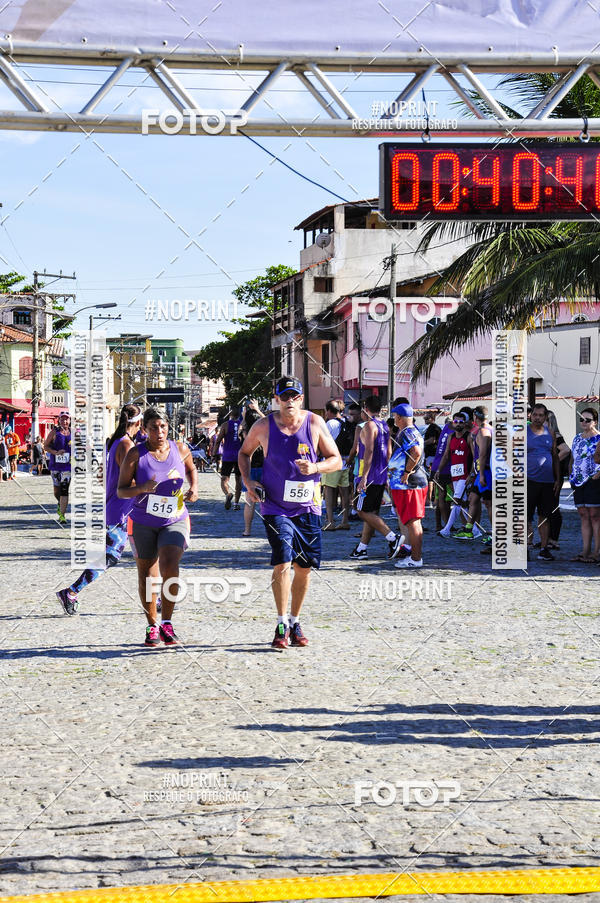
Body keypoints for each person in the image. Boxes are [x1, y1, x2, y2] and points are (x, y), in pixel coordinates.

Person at [238, 375, 341, 650]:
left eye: (294, 396)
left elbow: (336, 460)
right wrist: (248, 481)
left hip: (308, 506)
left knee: (304, 567)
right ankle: (281, 622)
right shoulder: (263, 426)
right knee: (283, 560)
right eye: (284, 396)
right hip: (275, 506)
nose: (290, 401)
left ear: (301, 399)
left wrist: (316, 468)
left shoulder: (314, 423)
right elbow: (244, 453)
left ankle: (295, 621)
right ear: (276, 399)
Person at [118, 408, 198, 646]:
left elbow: (191, 469)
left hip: (175, 519)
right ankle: (152, 626)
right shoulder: (136, 454)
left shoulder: (180, 449)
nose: (159, 432)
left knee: (170, 564)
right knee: (147, 575)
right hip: (143, 521)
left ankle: (167, 623)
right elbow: (121, 490)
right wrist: (142, 488)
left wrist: (194, 487)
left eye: (163, 427)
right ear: (144, 429)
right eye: (154, 427)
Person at [56, 404, 143, 615]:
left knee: (146, 552)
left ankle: (155, 597)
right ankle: (71, 592)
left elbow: (100, 475)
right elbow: (130, 480)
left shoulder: (114, 442)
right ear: (139, 423)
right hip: (121, 509)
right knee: (110, 556)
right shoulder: (126, 445)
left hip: (120, 506)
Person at [349, 395, 403, 561]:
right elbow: (389, 451)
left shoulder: (369, 426)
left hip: (369, 475)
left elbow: (369, 451)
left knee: (360, 510)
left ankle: (392, 538)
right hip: (380, 474)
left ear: (365, 408)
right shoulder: (385, 426)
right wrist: (386, 472)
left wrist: (364, 477)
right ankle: (362, 548)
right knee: (371, 513)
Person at [388, 403, 428, 568]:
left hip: (409, 484)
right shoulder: (414, 431)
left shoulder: (406, 432)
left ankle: (416, 559)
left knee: (413, 521)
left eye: (394, 416)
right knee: (412, 521)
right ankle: (413, 554)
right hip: (412, 483)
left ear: (399, 417)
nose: (394, 419)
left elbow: (416, 452)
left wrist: (406, 472)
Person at [526, 403, 561, 561]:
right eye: (535, 414)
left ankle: (544, 549)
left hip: (547, 481)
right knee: (526, 517)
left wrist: (558, 479)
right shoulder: (523, 432)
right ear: (530, 415)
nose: (537, 418)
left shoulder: (550, 433)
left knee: (544, 516)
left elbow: (555, 456)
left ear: (545, 417)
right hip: (529, 480)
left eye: (541, 415)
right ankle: (525, 548)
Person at [435, 412, 478, 538]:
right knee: (462, 503)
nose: (458, 424)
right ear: (452, 423)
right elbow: (446, 455)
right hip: (455, 474)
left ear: (465, 423)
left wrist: (472, 473)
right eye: (456, 422)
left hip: (465, 474)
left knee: (456, 500)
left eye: (460, 422)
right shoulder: (451, 437)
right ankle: (476, 530)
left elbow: (475, 457)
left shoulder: (469, 437)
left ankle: (446, 529)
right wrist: (439, 470)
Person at [570, 407, 600, 562]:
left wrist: (598, 474)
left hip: (594, 479)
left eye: (587, 420)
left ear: (595, 422)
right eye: (581, 419)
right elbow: (573, 458)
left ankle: (596, 552)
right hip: (577, 480)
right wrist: (571, 474)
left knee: (595, 516)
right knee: (583, 515)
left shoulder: (599, 438)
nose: (584, 422)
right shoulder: (577, 438)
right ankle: (585, 551)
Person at [321, 400, 354, 530]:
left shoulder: (330, 423)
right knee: (345, 492)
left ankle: (330, 521)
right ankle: (345, 520)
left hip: (332, 462)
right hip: (345, 461)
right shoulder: (346, 421)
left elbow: (323, 441)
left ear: (329, 411)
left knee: (329, 491)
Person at [546, 410, 570, 549]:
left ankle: (553, 539)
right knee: (546, 507)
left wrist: (551, 462)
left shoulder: (555, 435)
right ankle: (547, 538)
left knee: (553, 506)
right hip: (549, 475)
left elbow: (566, 450)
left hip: (555, 475)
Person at [239, 405, 265, 537]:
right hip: (265, 468)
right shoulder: (264, 431)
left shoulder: (244, 433)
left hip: (249, 469)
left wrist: (244, 415)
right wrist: (258, 410)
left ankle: (247, 530)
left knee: (249, 502)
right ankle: (271, 529)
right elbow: (270, 423)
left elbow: (243, 424)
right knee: (268, 502)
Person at [44, 411, 72, 523]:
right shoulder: (54, 432)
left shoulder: (74, 432)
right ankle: (60, 503)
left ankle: (62, 516)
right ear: (59, 420)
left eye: (66, 419)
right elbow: (46, 446)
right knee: (57, 491)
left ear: (69, 420)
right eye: (62, 419)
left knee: (64, 490)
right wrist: (56, 453)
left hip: (68, 467)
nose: (65, 421)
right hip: (55, 466)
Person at [213, 407, 242, 509]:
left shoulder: (225, 425)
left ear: (230, 415)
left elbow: (218, 440)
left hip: (227, 455)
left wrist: (214, 454)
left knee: (224, 479)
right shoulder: (243, 425)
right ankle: (236, 504)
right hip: (240, 456)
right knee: (239, 480)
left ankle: (227, 494)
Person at [430, 415, 453, 532]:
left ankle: (440, 525)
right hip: (444, 467)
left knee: (440, 498)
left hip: (437, 466)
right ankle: (447, 526)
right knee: (444, 499)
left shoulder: (445, 429)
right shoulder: (452, 431)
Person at [422, 411, 441, 508]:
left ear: (432, 419)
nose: (425, 420)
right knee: (433, 478)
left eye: (427, 418)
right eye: (424, 418)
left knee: (430, 478)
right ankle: (433, 500)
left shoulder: (433, 427)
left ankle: (429, 500)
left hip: (432, 456)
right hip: (432, 455)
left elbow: (432, 440)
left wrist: (421, 443)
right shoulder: (433, 427)